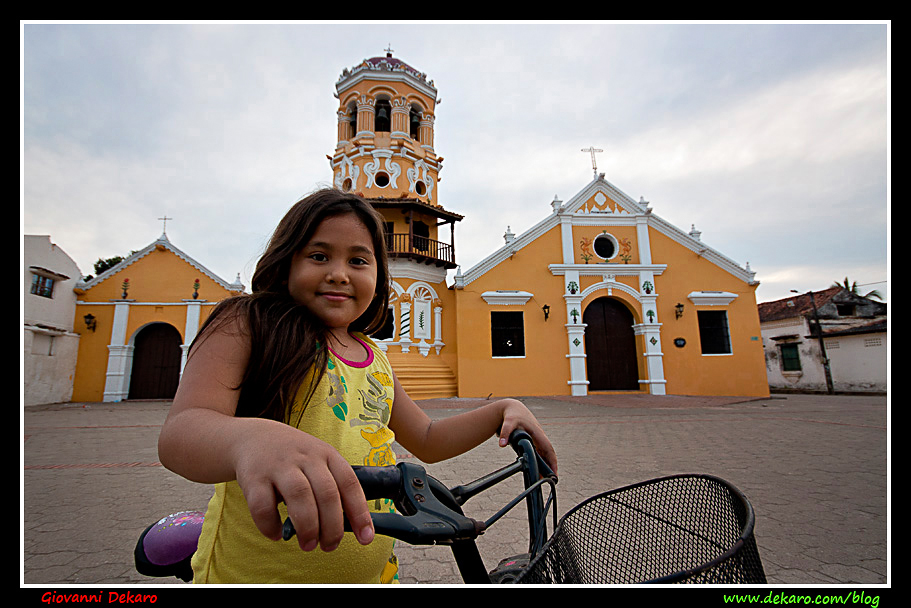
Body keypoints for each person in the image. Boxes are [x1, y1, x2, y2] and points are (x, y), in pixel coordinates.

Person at [157, 188, 557, 584]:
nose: (339, 273)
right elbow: (182, 432)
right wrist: (250, 440)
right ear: (286, 262)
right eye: (319, 256)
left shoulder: (373, 356)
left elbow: (429, 438)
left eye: (358, 260)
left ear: (379, 276)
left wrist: (501, 409)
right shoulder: (247, 324)